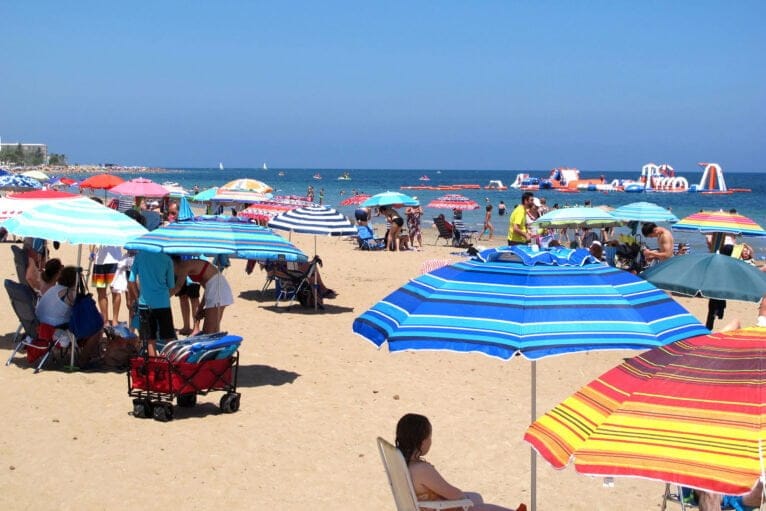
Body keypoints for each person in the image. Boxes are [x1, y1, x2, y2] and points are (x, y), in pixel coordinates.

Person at [396, 414, 526, 511]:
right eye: (429, 438)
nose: (430, 442)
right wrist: (462, 497)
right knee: (476, 506)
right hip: (435, 507)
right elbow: (455, 495)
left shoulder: (402, 462)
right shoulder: (421, 470)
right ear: (422, 441)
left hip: (423, 505)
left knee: (476, 498)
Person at [128, 250, 176, 357]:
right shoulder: (167, 259)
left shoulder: (139, 257)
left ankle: (154, 367)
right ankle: (169, 364)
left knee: (150, 339)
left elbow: (131, 280)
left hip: (145, 304)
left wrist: (137, 297)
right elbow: (171, 286)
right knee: (169, 338)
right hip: (163, 303)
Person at [170, 257, 234, 334]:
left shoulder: (185, 266)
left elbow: (178, 286)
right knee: (210, 329)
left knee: (209, 331)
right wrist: (200, 307)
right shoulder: (186, 265)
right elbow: (206, 287)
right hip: (215, 290)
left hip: (218, 290)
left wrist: (161, 299)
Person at [89, 245, 124, 327]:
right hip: (99, 261)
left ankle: (115, 320)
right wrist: (91, 252)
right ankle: (105, 321)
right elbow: (91, 240)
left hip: (115, 260)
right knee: (101, 292)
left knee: (116, 291)